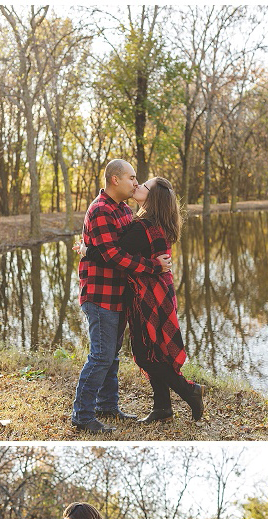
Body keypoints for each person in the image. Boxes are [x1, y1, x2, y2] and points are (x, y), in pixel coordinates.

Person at [71, 158, 172, 434]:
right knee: (101, 355)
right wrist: (154, 266)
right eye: (131, 177)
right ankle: (82, 416)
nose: (135, 182)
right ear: (115, 179)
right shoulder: (101, 209)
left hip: (118, 294)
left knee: (112, 354)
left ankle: (107, 405)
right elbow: (114, 255)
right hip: (100, 293)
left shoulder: (124, 210)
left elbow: (132, 247)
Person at [119, 178, 204, 423]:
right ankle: (162, 408)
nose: (137, 186)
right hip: (160, 293)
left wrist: (87, 249)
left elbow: (112, 253)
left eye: (143, 186)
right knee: (156, 352)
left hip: (145, 297)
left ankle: (191, 391)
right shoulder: (159, 224)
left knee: (146, 354)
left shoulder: (142, 227)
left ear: (153, 197)